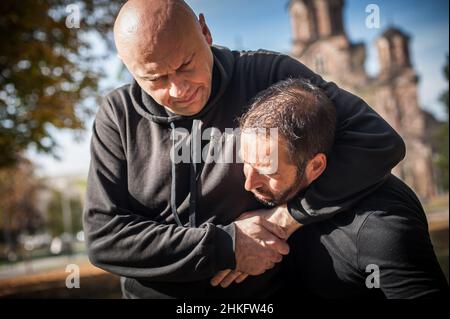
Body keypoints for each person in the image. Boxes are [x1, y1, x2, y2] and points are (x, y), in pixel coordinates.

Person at [83, 0, 406, 298]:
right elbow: (104, 238)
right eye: (155, 78)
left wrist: (286, 217)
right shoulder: (117, 115)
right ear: (130, 68)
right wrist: (226, 245)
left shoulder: (267, 74)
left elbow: (376, 141)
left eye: (185, 65)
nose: (178, 90)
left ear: (205, 32)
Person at [233, 78, 448, 298]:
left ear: (315, 166)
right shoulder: (270, 193)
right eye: (246, 163)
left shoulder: (379, 225)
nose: (249, 184)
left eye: (268, 172)